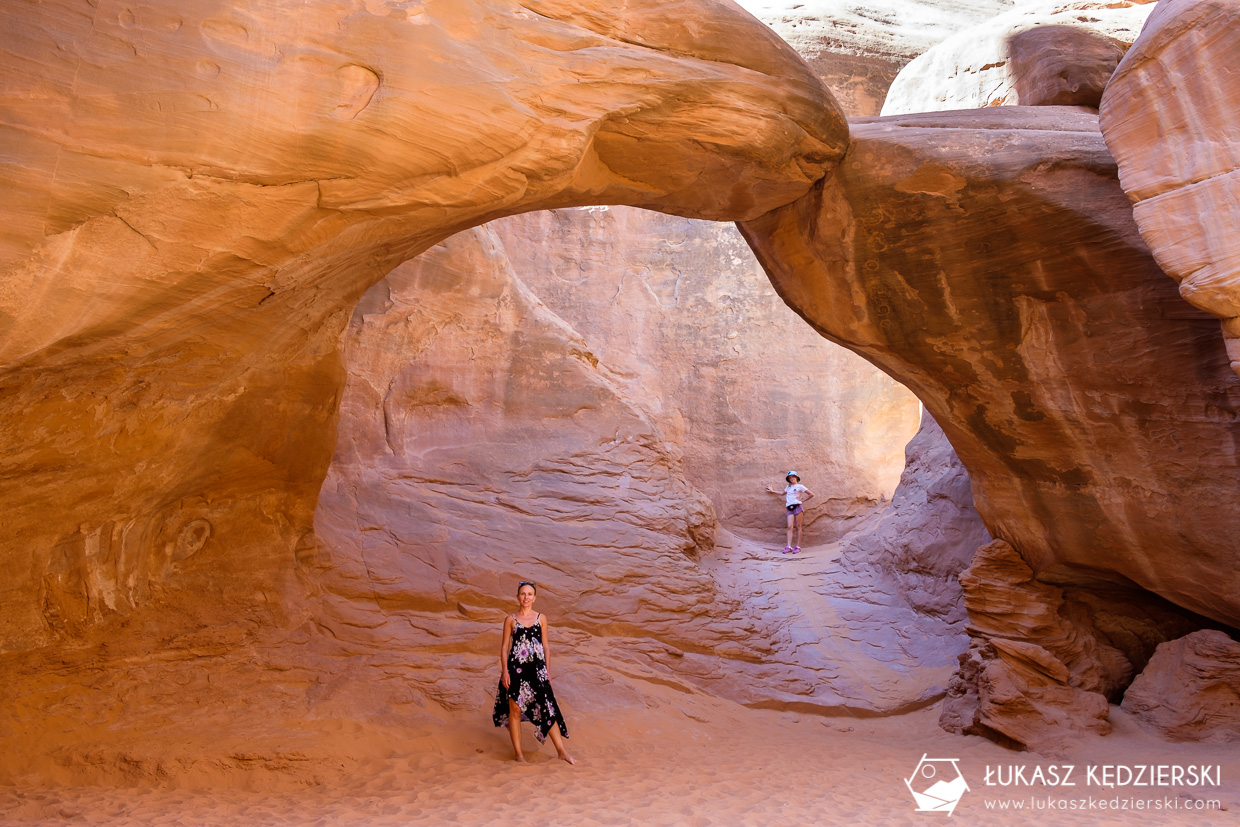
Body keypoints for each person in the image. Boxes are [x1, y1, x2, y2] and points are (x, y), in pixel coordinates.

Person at [492, 580, 574, 764]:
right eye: (523, 594)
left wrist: (548, 672)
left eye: (529, 594)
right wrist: (505, 671)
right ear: (517, 597)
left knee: (547, 707)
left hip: (538, 670)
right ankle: (519, 755)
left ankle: (562, 752)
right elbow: (504, 648)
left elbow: (546, 646)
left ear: (534, 598)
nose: (526, 597)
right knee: (515, 710)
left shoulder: (541, 618)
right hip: (516, 670)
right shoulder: (510, 620)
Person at [766, 470, 814, 553]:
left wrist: (803, 500)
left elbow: (811, 494)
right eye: (790, 477)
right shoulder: (788, 487)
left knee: (798, 526)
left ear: (796, 477)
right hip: (789, 508)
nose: (792, 478)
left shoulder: (800, 486)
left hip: (797, 506)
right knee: (789, 526)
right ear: (788, 479)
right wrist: (772, 491)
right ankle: (789, 546)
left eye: (793, 477)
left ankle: (798, 547)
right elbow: (782, 493)